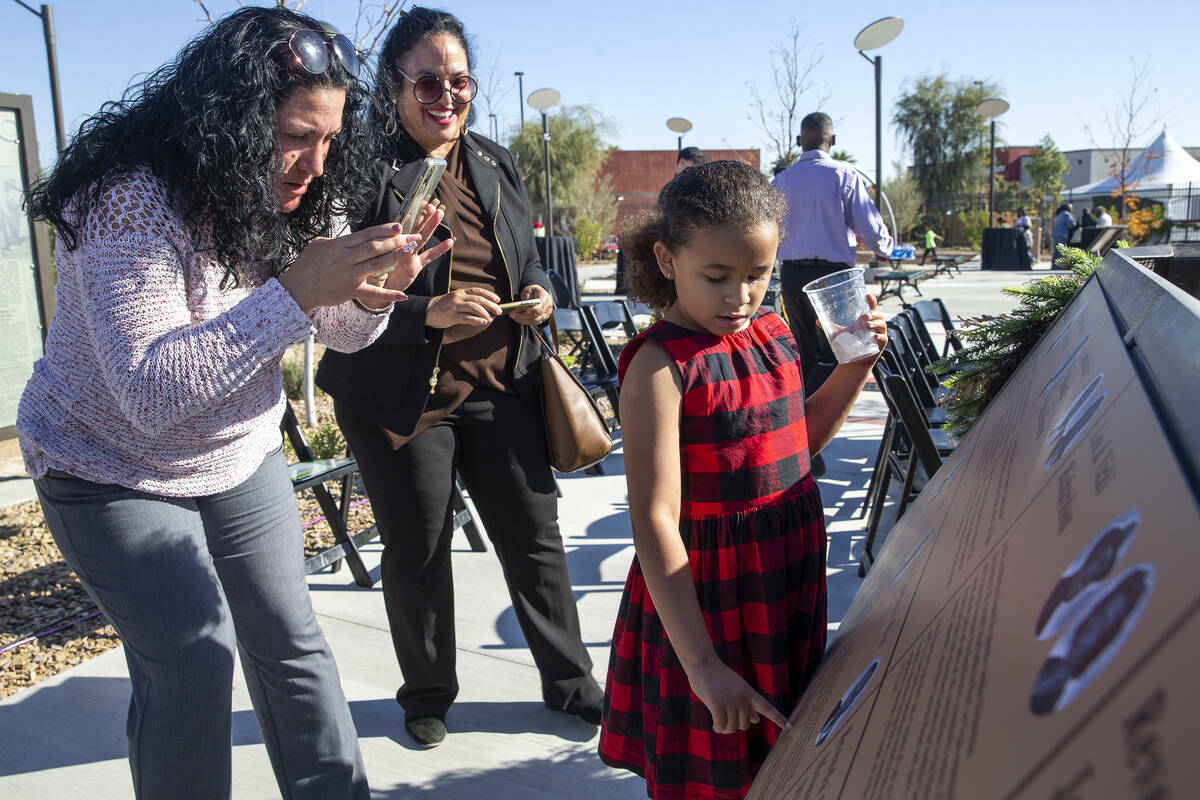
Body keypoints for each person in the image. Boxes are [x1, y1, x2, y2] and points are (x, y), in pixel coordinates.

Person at [15, 8, 443, 798]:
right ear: (228, 119)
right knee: (189, 659)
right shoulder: (129, 201)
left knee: (293, 642)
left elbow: (342, 333)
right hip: (105, 463)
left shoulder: (306, 194)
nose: (313, 162)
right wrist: (290, 294)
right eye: (292, 134)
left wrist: (372, 298)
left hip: (236, 453)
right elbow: (149, 392)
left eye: (328, 139)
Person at [316, 6, 603, 750]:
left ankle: (571, 682)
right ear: (394, 86)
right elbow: (334, 291)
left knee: (534, 535)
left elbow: (529, 255)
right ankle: (428, 695)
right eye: (428, 81)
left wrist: (540, 291)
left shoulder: (494, 159)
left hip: (503, 383)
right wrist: (427, 312)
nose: (447, 95)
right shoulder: (359, 170)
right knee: (417, 548)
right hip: (403, 397)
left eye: (460, 80)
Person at [598, 160, 887, 799]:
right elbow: (654, 519)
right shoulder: (659, 368)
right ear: (668, 260)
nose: (740, 297)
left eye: (758, 275)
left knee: (781, 762)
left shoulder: (775, 332)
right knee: (714, 774)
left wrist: (854, 369)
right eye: (717, 276)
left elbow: (795, 444)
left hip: (782, 578)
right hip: (705, 604)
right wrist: (702, 666)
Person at [771, 112, 891, 477]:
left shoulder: (780, 181)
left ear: (798, 142)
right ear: (832, 141)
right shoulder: (844, 175)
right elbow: (870, 227)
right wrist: (886, 247)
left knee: (805, 351)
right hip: (835, 277)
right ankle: (816, 436)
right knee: (842, 350)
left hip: (793, 275)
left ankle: (800, 434)